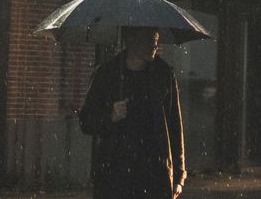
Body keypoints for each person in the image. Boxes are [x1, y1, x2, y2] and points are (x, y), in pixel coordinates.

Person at [78, 26, 185, 199]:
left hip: (154, 174)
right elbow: (86, 122)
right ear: (131, 41)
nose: (154, 46)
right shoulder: (107, 74)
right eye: (149, 40)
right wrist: (110, 116)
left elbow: (174, 125)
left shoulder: (163, 74)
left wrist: (179, 176)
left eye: (156, 41)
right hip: (115, 174)